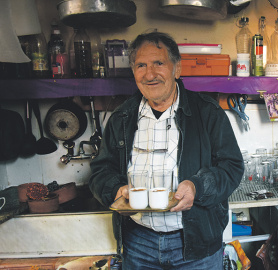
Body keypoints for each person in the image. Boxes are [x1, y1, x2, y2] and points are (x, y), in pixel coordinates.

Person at [89, 31, 244, 269]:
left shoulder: (208, 113)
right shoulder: (121, 117)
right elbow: (100, 171)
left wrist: (197, 187)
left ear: (177, 69)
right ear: (133, 72)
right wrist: (116, 190)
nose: (149, 74)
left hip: (196, 242)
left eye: (158, 63)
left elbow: (231, 167)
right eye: (141, 65)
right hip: (138, 242)